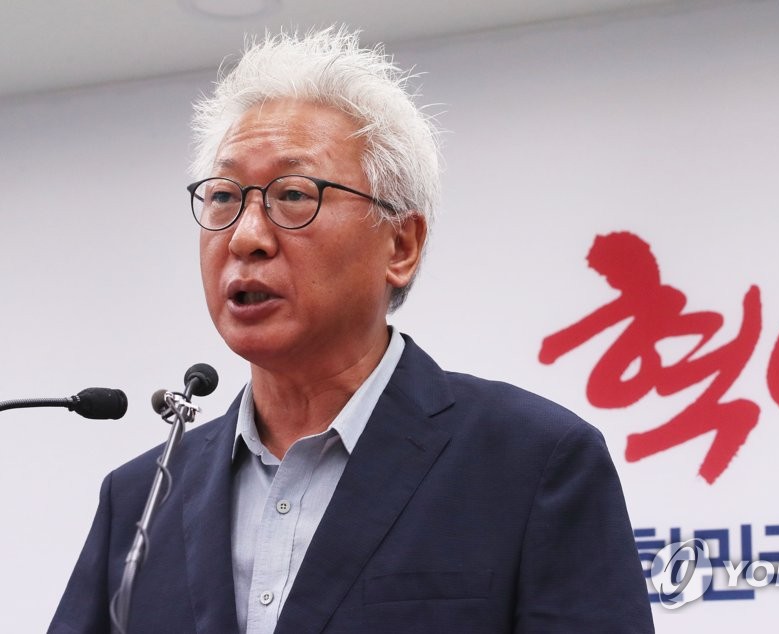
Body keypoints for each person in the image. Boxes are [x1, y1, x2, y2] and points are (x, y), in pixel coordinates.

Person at [49, 27, 654, 633]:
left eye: (292, 194)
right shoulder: (140, 500)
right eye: (225, 197)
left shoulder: (532, 462)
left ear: (401, 244)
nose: (245, 236)